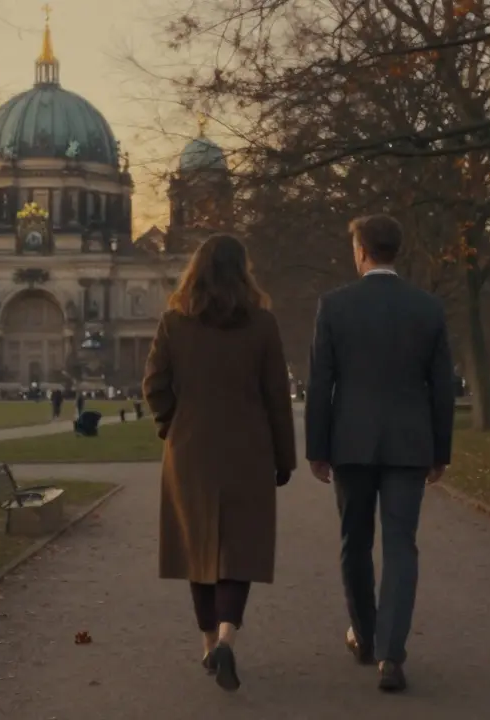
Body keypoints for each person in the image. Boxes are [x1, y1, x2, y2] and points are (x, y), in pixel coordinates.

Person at [305, 214, 454, 693]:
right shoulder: (428, 308)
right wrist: (440, 450)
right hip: (410, 443)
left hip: (351, 441)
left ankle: (366, 637)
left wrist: (317, 448)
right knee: (400, 545)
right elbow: (441, 390)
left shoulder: (335, 306)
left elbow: (320, 384)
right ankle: (392, 653)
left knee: (355, 543)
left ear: (362, 250)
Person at [143, 233, 296, 693]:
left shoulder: (174, 321)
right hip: (248, 448)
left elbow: (154, 385)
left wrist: (172, 423)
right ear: (242, 271)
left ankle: (209, 642)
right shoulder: (263, 324)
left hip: (190, 450)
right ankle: (229, 633)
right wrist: (284, 457)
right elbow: (276, 397)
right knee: (238, 548)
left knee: (198, 547)